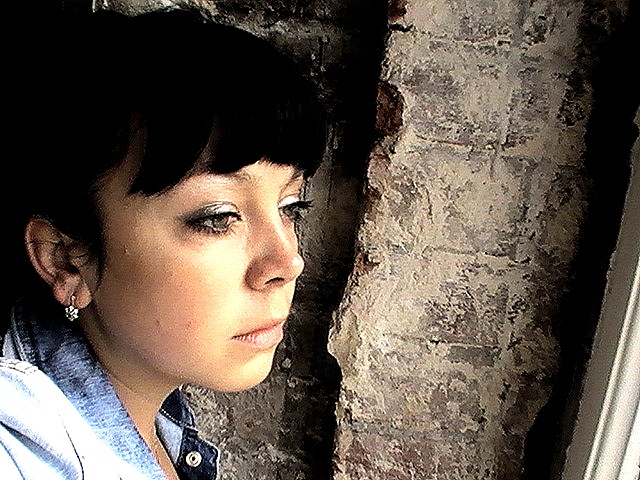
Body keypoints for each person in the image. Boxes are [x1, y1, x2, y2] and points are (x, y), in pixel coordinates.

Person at [1, 6, 326, 480]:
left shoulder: (157, 419)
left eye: (290, 206)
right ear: (65, 259)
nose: (287, 262)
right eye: (218, 218)